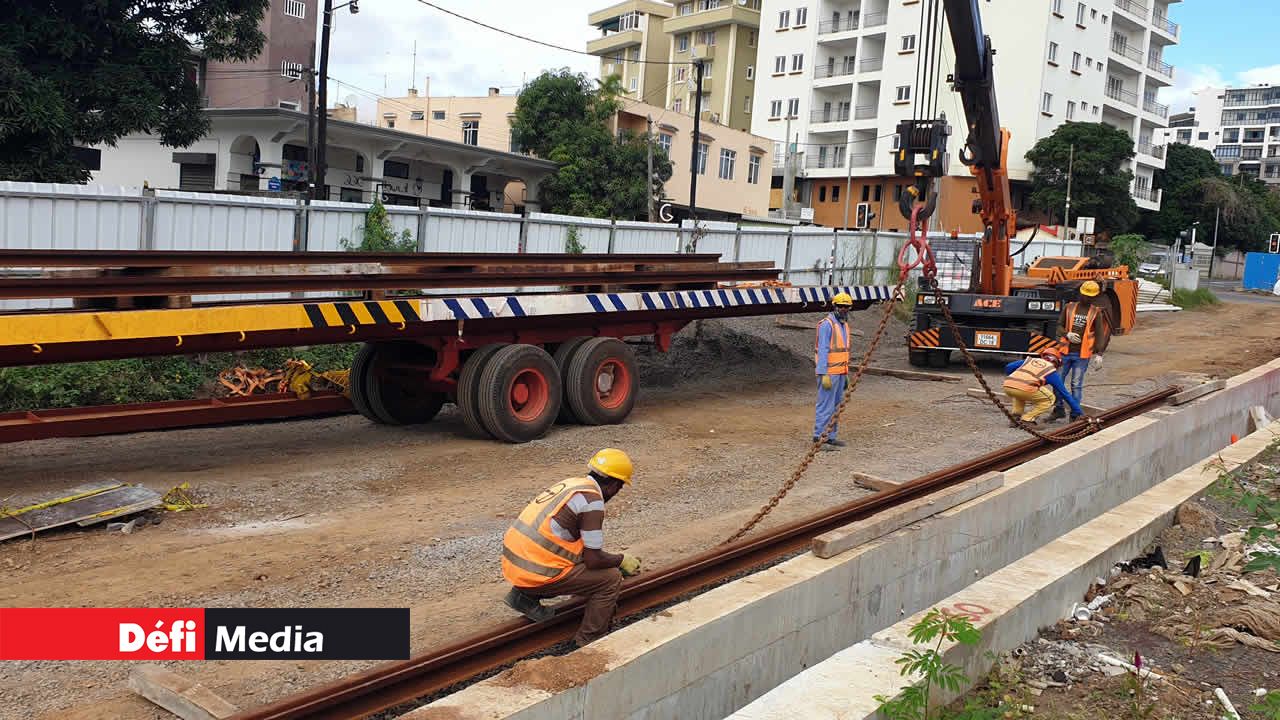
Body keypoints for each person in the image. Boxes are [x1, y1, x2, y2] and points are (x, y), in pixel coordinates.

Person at [500, 448, 641, 647]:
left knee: (588, 564)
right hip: (537, 571)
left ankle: (523, 596)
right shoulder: (592, 502)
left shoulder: (572, 484)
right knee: (610, 579)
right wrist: (620, 560)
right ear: (614, 484)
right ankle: (588, 641)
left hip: (515, 564)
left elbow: (573, 544)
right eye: (620, 487)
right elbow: (593, 560)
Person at [1051, 280, 1111, 421]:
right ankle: (1058, 409)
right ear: (1080, 294)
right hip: (1065, 352)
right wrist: (1067, 334)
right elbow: (1059, 326)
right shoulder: (1069, 307)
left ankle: (1075, 414)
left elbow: (1100, 334)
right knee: (1057, 382)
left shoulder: (1096, 313)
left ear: (1095, 297)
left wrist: (1099, 354)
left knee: (1076, 385)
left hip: (1082, 355)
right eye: (1085, 295)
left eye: (1090, 296)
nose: (1087, 298)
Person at [813, 292, 854, 449]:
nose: (844, 309)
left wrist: (845, 372)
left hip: (840, 373)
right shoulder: (827, 324)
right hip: (828, 374)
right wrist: (823, 374)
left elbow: (843, 351)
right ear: (835, 306)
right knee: (825, 406)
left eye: (847, 307)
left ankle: (831, 436)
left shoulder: (844, 325)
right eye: (841, 306)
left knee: (836, 406)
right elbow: (823, 350)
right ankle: (819, 437)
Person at [1003, 348, 1083, 424]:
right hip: (1025, 388)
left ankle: (1015, 417)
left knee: (1020, 393)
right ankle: (1027, 419)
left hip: (1007, 386)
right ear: (1057, 362)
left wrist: (1016, 378)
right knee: (1050, 398)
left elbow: (1009, 367)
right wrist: (1078, 411)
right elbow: (1065, 394)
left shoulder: (1031, 360)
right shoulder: (1051, 371)